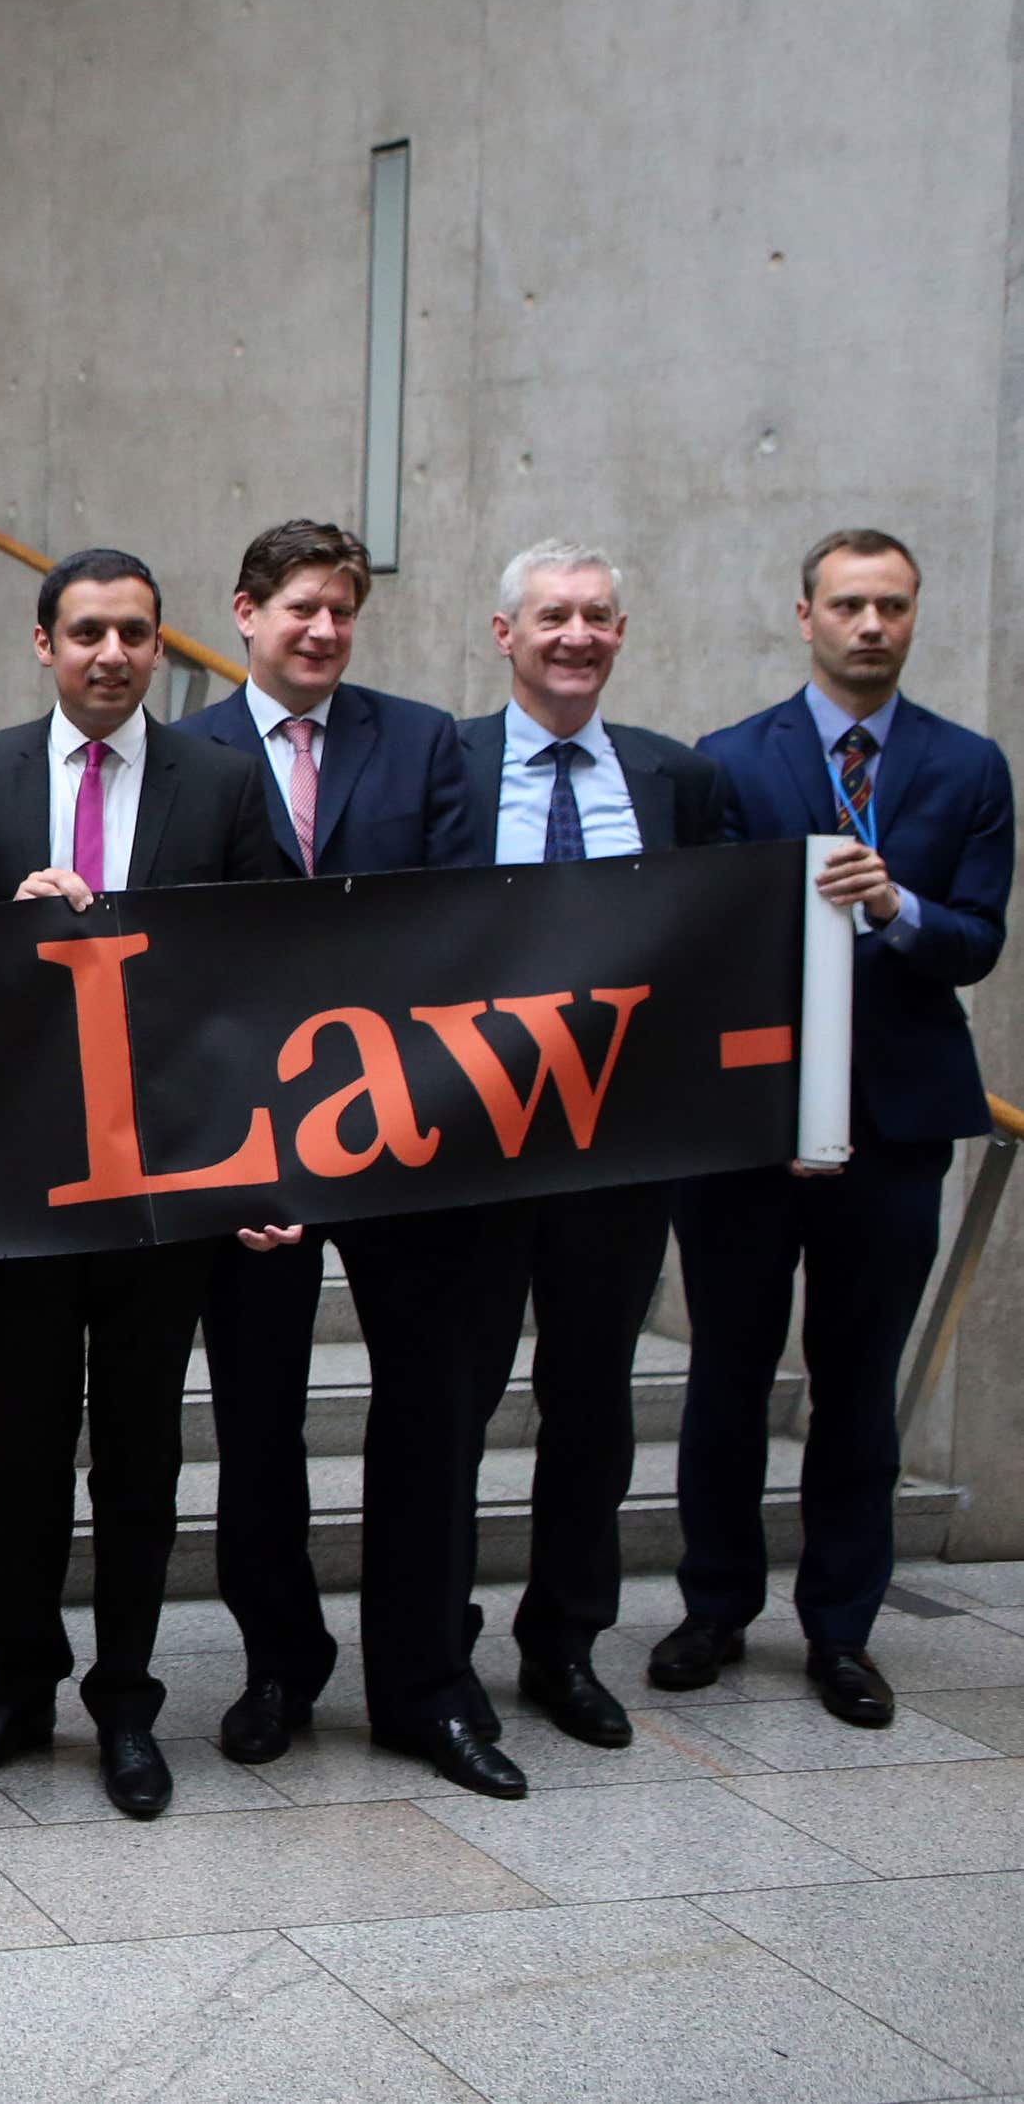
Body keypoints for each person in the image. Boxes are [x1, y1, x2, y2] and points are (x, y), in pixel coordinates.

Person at [0, 547, 286, 1818]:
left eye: (135, 632)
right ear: (42, 643)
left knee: (139, 1453)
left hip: (169, 1179)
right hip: (27, 1180)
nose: (112, 654)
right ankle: (19, 1685)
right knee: (27, 1447)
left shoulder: (225, 783)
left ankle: (126, 1704)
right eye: (87, 632)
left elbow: (274, 975)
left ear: (162, 646)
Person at [661, 527, 1012, 1728]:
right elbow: (700, 939)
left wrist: (901, 905)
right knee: (726, 1374)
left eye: (893, 607)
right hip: (750, 1127)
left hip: (899, 1123)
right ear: (803, 614)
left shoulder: (970, 769)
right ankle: (713, 1607)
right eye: (850, 604)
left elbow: (979, 939)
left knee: (858, 1385)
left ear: (915, 619)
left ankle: (845, 1629)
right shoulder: (725, 762)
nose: (872, 625)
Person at [165, 518, 493, 1787]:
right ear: (244, 612)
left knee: (432, 1412)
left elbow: (464, 930)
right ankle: (277, 1664)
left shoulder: (422, 741)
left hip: (410, 1136)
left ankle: (425, 1679)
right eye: (300, 607)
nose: (322, 631)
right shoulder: (185, 755)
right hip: (251, 1146)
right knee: (258, 1418)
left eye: (341, 612)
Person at [439, 540, 731, 1757]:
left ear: (622, 635)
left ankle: (564, 1640)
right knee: (451, 1403)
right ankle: (434, 1647)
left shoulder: (677, 778)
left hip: (617, 1151)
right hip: (464, 1148)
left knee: (594, 1403)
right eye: (552, 616)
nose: (576, 636)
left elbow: (717, 939)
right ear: (503, 634)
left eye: (598, 618)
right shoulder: (439, 765)